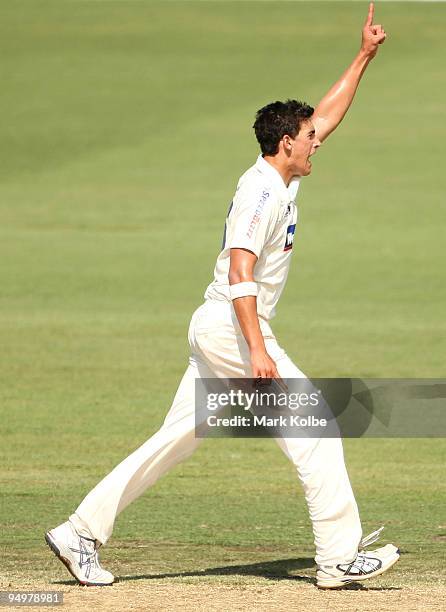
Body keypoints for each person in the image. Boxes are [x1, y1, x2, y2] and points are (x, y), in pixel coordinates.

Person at [45, 3, 400, 589]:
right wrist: (258, 349)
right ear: (286, 143)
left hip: (220, 328)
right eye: (308, 138)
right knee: (315, 428)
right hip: (234, 327)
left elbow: (328, 113)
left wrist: (363, 56)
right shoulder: (258, 193)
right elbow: (240, 271)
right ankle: (337, 558)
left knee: (176, 440)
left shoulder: (281, 172)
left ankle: (79, 532)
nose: (319, 143)